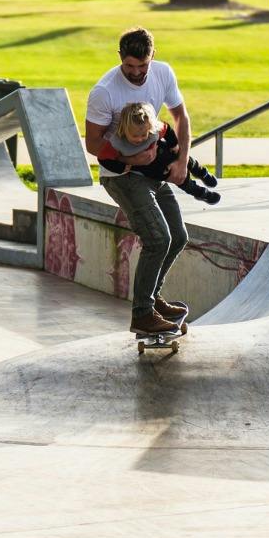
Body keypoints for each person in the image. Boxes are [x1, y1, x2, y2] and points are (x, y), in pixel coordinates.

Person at [84, 27, 193, 337]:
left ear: (152, 56)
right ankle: (143, 314)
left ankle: (152, 299)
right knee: (157, 239)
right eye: (129, 66)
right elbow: (93, 143)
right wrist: (131, 160)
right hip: (121, 176)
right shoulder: (105, 91)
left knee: (178, 236)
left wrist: (181, 161)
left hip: (153, 172)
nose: (135, 73)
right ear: (120, 58)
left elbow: (181, 118)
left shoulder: (163, 73)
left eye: (142, 66)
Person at [101, 102, 221, 206]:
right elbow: (103, 158)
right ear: (124, 129)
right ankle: (203, 194)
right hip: (154, 169)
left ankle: (203, 174)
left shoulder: (154, 130)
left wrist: (174, 144)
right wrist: (123, 167)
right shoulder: (116, 143)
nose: (140, 139)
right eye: (135, 136)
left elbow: (167, 129)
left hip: (165, 152)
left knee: (188, 161)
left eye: (144, 135)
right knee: (182, 180)